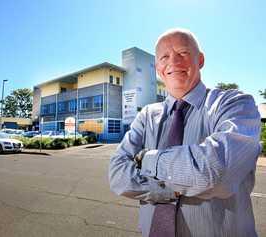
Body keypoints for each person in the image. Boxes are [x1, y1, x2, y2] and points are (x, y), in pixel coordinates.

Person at [109, 28, 261, 237]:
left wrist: (147, 159)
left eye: (182, 53)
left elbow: (217, 170)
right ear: (158, 69)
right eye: (164, 57)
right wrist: (172, 190)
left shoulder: (233, 104)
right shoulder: (146, 116)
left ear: (200, 60)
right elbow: (118, 175)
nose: (173, 61)